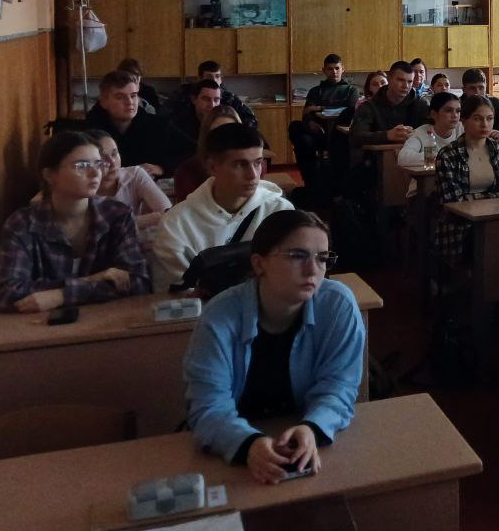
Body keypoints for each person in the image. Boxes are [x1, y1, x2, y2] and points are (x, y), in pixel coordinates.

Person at [182, 210, 364, 482]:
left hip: (303, 439)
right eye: (297, 256)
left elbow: (339, 386)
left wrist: (312, 428)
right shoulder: (219, 316)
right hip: (234, 446)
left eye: (322, 258)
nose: (313, 270)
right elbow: (208, 405)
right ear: (259, 264)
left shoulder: (338, 305)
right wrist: (249, 444)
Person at [0, 131, 151, 312]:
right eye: (81, 165)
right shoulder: (22, 224)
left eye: (98, 164)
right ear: (49, 175)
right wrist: (91, 280)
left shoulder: (117, 215)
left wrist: (61, 295)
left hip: (107, 321)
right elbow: (5, 294)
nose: (95, 173)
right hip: (39, 326)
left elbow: (138, 283)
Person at [151, 123, 293, 291]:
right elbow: (176, 293)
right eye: (240, 164)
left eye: (257, 163)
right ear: (212, 167)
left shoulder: (280, 211)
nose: (253, 175)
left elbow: (291, 275)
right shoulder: (176, 224)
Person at [80, 128, 171, 247]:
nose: (113, 162)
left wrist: (119, 224)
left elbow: (168, 213)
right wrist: (150, 219)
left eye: (114, 153)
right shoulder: (82, 192)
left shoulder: (134, 174)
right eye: (102, 158)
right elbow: (95, 233)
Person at [287, 54, 360, 194]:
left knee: (340, 146)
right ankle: (310, 181)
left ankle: (335, 187)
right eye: (330, 69)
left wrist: (319, 107)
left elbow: (350, 109)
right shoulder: (315, 91)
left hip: (339, 133)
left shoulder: (351, 90)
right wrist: (310, 123)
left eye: (337, 68)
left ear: (343, 69)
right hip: (318, 132)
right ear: (324, 70)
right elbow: (306, 112)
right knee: (299, 134)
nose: (334, 72)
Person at [85, 70, 180, 176]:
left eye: (133, 95)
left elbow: (190, 153)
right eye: (120, 97)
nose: (129, 102)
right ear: (104, 101)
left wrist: (163, 168)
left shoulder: (159, 126)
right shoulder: (89, 132)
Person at [435, 95, 499, 203]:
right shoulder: (448, 154)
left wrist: (471, 197)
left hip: (497, 211)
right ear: (463, 121)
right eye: (477, 119)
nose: (484, 124)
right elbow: (452, 199)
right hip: (460, 213)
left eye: (489, 118)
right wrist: (492, 197)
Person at [348, 61, 429, 149]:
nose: (405, 86)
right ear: (389, 79)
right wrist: (387, 135)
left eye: (410, 82)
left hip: (414, 154)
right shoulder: (369, 106)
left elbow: (431, 133)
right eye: (400, 80)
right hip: (378, 156)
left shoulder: (421, 104)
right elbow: (355, 136)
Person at [172, 106, 242, 203]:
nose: (225, 137)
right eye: (217, 131)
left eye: (231, 130)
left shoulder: (253, 165)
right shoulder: (187, 171)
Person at [163, 60, 258, 128]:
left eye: (217, 77)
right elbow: (163, 118)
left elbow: (250, 119)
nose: (214, 81)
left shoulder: (228, 97)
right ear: (199, 79)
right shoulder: (182, 95)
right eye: (209, 77)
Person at [397, 92, 462, 168]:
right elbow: (403, 158)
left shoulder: (462, 129)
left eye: (458, 111)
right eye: (448, 110)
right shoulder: (421, 132)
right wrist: (443, 156)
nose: (455, 115)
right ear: (433, 114)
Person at [169, 79, 223, 161]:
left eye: (216, 100)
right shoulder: (178, 126)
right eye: (206, 99)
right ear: (194, 100)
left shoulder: (225, 122)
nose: (212, 105)